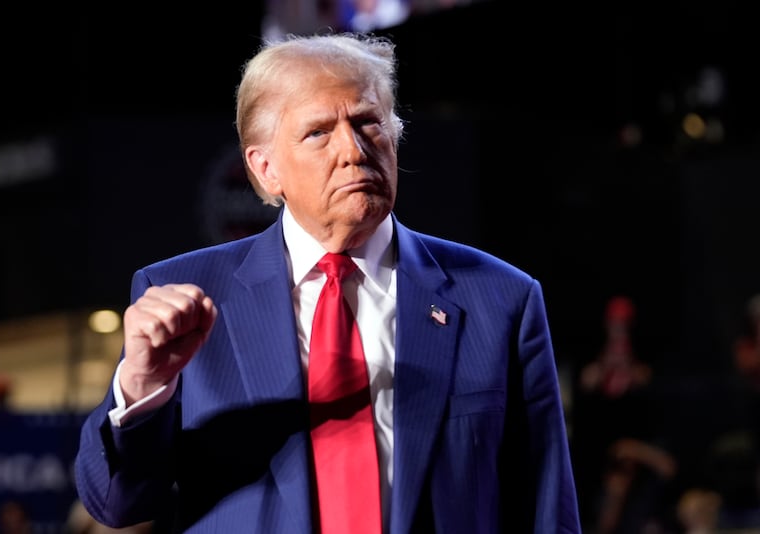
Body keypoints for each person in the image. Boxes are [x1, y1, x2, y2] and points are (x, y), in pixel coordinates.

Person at [74, 32, 580, 533]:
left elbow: (546, 510)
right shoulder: (186, 295)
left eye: (367, 122)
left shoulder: (501, 299)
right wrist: (143, 386)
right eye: (319, 132)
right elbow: (117, 504)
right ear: (266, 169)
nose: (353, 150)